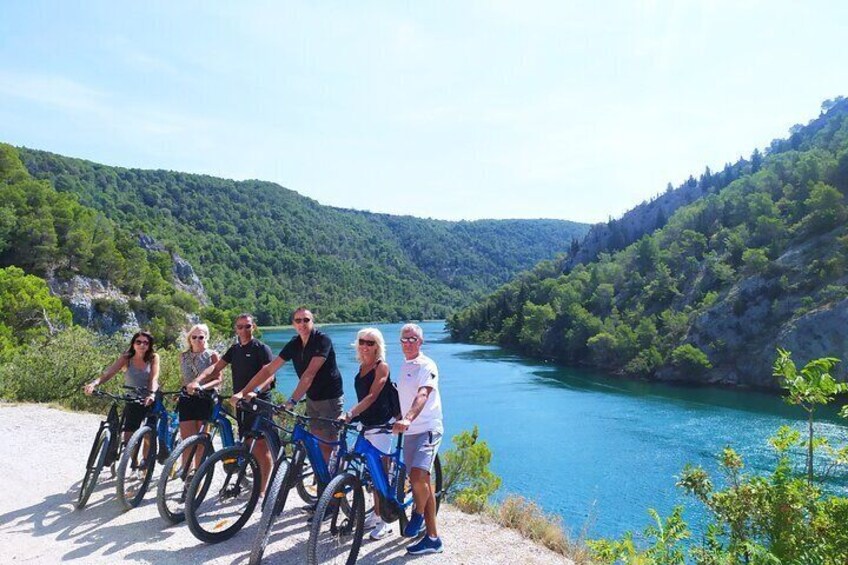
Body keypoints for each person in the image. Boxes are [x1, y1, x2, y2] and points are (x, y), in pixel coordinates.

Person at [243, 307, 344, 467]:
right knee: (317, 440)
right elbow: (269, 369)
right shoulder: (294, 343)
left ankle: (331, 484)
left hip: (329, 398)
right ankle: (323, 477)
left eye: (306, 320)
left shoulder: (322, 340)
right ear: (293, 324)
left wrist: (292, 401)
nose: (302, 324)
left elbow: (309, 375)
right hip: (312, 397)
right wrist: (246, 391)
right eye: (298, 320)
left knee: (327, 444)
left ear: (313, 322)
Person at [186, 314, 274, 493]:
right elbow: (215, 368)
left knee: (259, 446)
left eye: (247, 326)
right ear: (236, 329)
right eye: (240, 327)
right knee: (246, 441)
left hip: (259, 402)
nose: (244, 330)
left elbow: (270, 377)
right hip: (240, 402)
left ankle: (262, 491)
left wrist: (254, 392)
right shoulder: (234, 349)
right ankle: (245, 474)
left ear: (253, 327)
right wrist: (198, 381)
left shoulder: (261, 348)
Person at [392, 323, 444, 554]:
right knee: (422, 482)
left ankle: (418, 513)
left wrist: (409, 418)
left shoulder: (427, 365)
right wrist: (396, 417)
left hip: (428, 429)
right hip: (410, 432)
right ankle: (433, 539)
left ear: (421, 342)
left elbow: (423, 394)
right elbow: (401, 396)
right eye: (404, 339)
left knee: (416, 476)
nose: (408, 343)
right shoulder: (404, 366)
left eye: (413, 339)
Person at [340, 327, 397, 540]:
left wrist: (350, 413)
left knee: (380, 473)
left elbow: (373, 396)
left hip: (382, 425)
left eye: (370, 343)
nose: (365, 346)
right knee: (368, 472)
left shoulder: (382, 367)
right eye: (362, 341)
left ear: (378, 347)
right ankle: (375, 513)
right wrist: (354, 417)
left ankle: (385, 521)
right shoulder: (361, 366)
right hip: (366, 424)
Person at [84, 331, 160, 446]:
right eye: (138, 342)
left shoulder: (153, 357)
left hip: (151, 394)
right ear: (133, 343)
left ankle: (146, 460)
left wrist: (151, 394)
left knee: (148, 433)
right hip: (133, 396)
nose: (142, 345)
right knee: (129, 434)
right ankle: (128, 458)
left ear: (149, 345)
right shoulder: (127, 357)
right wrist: (93, 384)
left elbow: (153, 378)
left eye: (146, 343)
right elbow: (109, 373)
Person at [177, 324, 220, 471]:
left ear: (206, 337)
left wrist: (202, 387)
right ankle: (186, 470)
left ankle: (198, 472)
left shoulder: (212, 355)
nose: (197, 340)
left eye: (201, 337)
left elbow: (218, 379)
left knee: (201, 439)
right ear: (189, 338)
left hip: (204, 398)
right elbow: (184, 379)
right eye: (194, 337)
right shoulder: (183, 356)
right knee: (187, 439)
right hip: (187, 398)